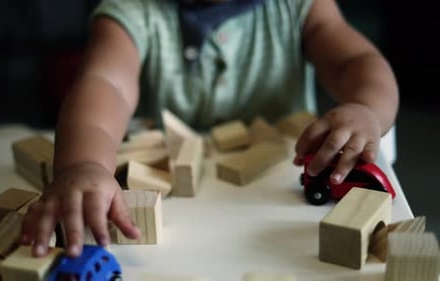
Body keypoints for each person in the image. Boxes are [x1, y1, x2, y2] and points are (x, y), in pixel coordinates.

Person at [21, 0, 399, 257]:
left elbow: (356, 60)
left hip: (280, 190)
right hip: (174, 200)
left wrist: (366, 108)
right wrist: (83, 166)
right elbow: (105, 84)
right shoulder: (132, 11)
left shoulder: (300, 6)